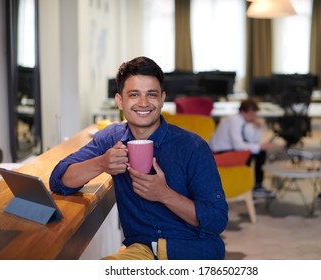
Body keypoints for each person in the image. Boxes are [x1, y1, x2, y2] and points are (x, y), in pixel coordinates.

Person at [49, 56, 228, 260]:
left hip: (194, 252)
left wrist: (164, 194)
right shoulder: (112, 138)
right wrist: (101, 163)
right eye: (134, 94)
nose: (143, 103)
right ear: (119, 101)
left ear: (162, 98)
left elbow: (216, 221)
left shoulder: (192, 146)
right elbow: (59, 179)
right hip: (143, 252)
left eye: (151, 94)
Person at [209, 98, 276, 198]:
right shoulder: (234, 121)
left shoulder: (244, 121)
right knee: (256, 152)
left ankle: (256, 186)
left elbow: (252, 140)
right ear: (244, 112)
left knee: (259, 151)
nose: (254, 116)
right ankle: (256, 186)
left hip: (230, 149)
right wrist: (260, 147)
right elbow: (239, 145)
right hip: (218, 153)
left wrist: (259, 128)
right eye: (252, 113)